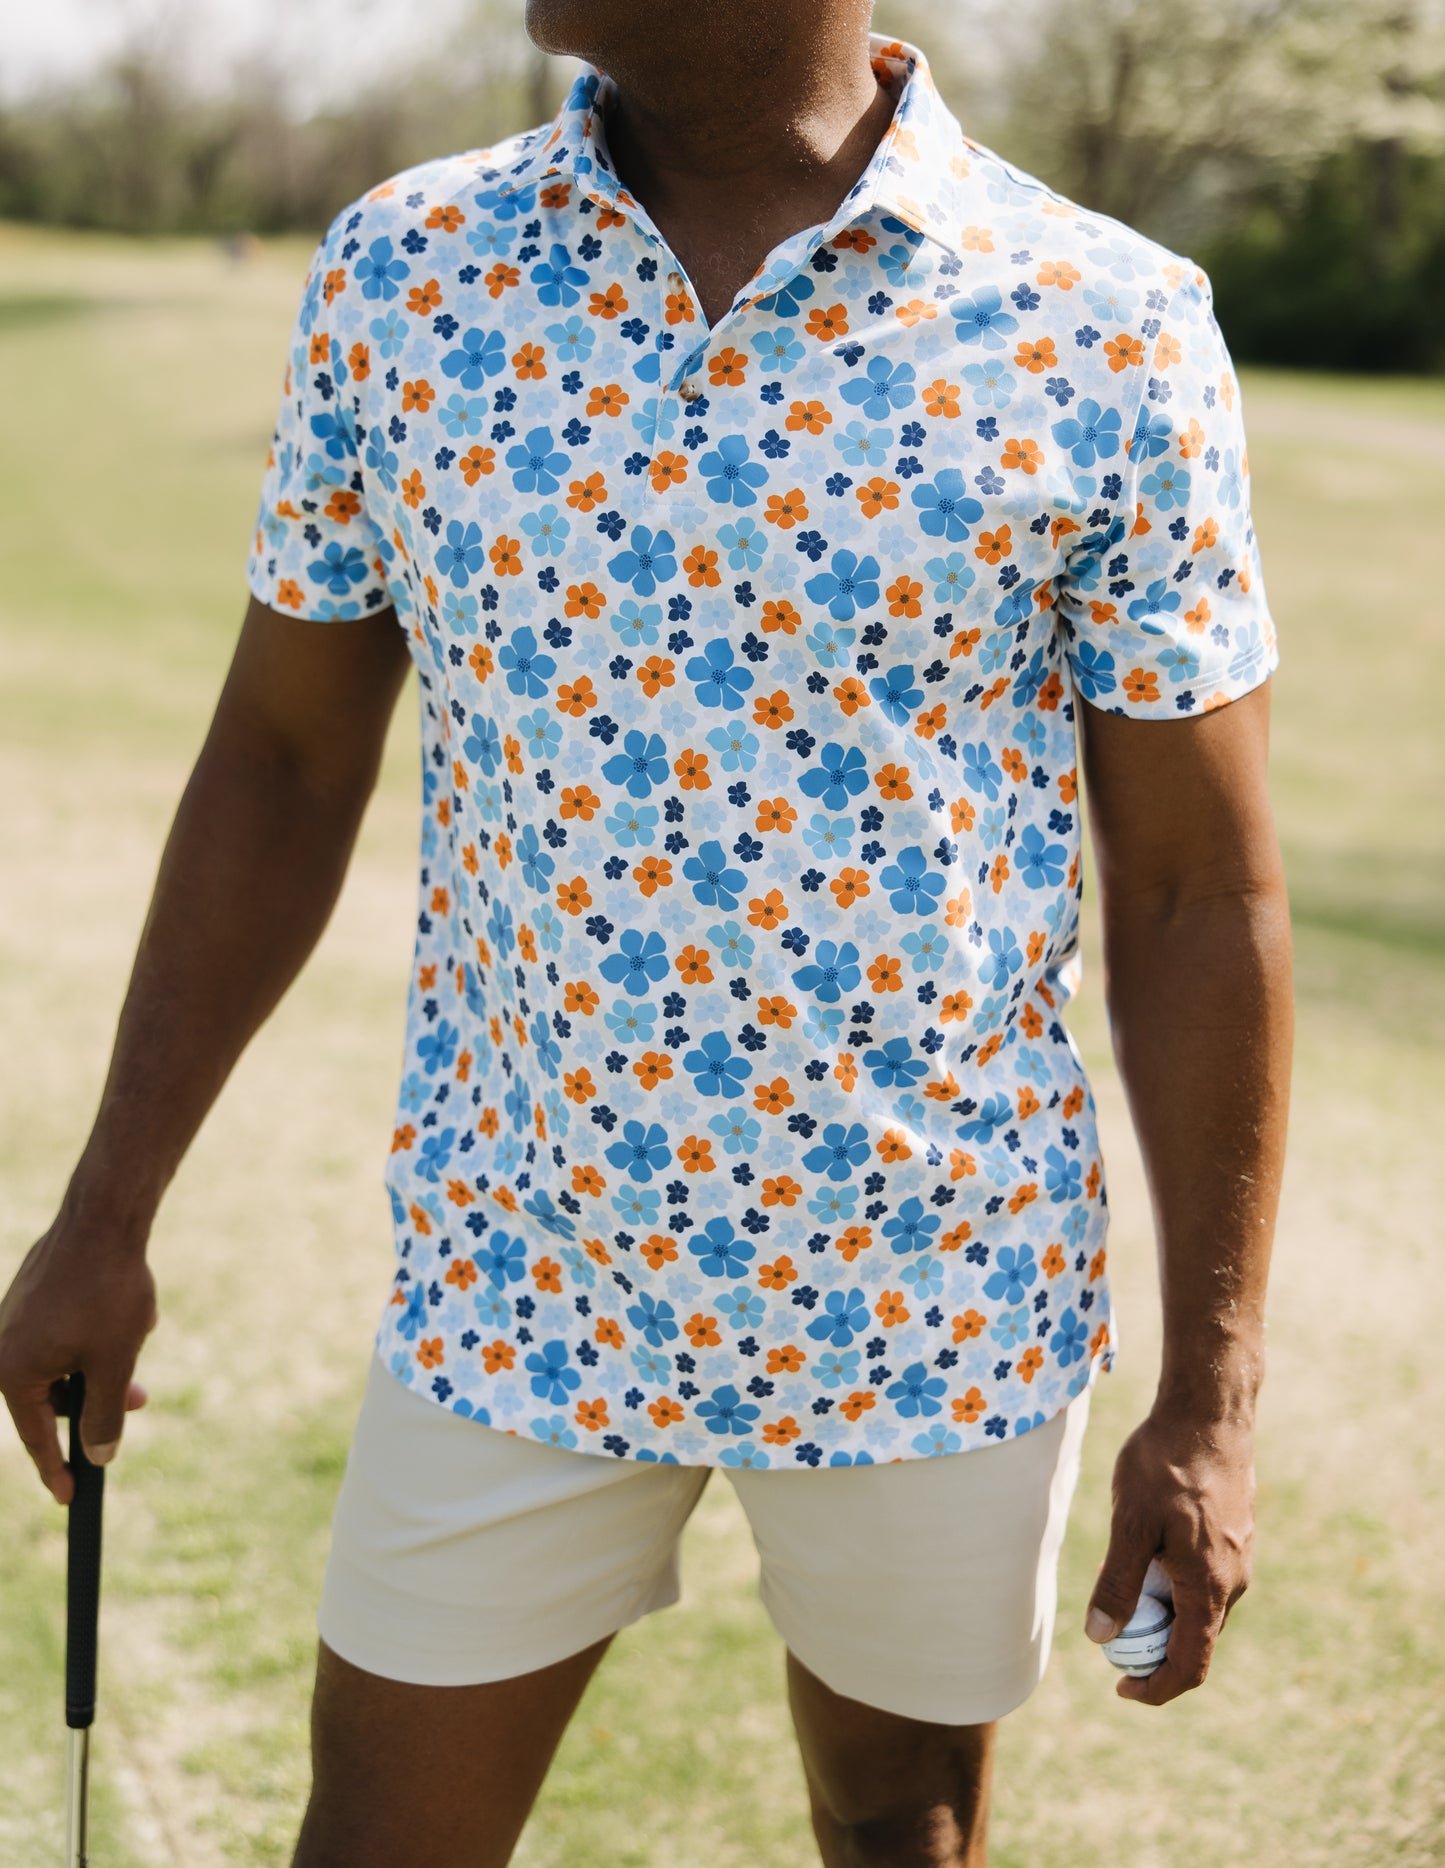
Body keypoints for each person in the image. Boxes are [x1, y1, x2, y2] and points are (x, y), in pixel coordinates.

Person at [0, 5, 1293, 1863]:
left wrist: (1210, 1392)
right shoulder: (402, 270)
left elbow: (1197, 890)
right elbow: (283, 763)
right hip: (516, 1279)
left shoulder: (1110, 322)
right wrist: (107, 1208)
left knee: (896, 1829)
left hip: (928, 1304)